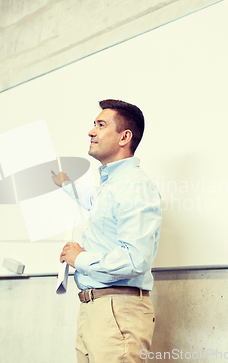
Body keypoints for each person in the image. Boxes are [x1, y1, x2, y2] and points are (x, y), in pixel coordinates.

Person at [52, 99, 162, 363]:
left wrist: (79, 258)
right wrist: (64, 182)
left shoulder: (134, 186)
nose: (91, 131)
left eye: (101, 125)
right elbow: (95, 202)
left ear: (125, 137)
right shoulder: (111, 186)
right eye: (93, 124)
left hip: (117, 311)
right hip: (96, 308)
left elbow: (136, 258)